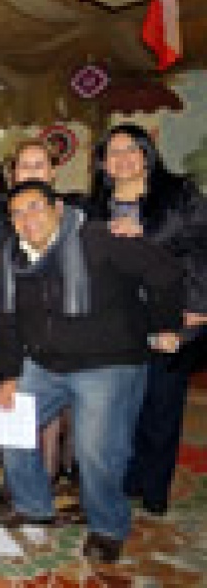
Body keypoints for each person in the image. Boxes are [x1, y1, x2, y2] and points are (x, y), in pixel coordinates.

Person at [0, 180, 184, 563]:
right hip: (46, 363)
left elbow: (164, 271)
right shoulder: (12, 258)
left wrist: (164, 325)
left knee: (96, 450)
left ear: (57, 208)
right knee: (7, 421)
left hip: (107, 363)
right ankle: (32, 504)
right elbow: (8, 322)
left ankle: (107, 527)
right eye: (17, 213)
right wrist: (9, 376)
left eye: (34, 207)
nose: (27, 219)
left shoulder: (98, 238)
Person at [90, 123, 207, 516]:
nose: (123, 158)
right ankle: (129, 479)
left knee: (162, 404)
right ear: (103, 163)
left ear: (146, 154)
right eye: (114, 152)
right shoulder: (97, 206)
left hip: (171, 314)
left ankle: (155, 489)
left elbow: (201, 250)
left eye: (131, 149)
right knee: (126, 406)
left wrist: (196, 306)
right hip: (120, 322)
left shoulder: (178, 195)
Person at [13, 139, 75, 492]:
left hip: (69, 326)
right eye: (25, 165)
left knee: (68, 412)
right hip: (27, 326)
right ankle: (43, 480)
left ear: (52, 172)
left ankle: (64, 476)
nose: (32, 172)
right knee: (32, 409)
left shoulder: (72, 215)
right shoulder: (8, 215)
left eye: (39, 165)